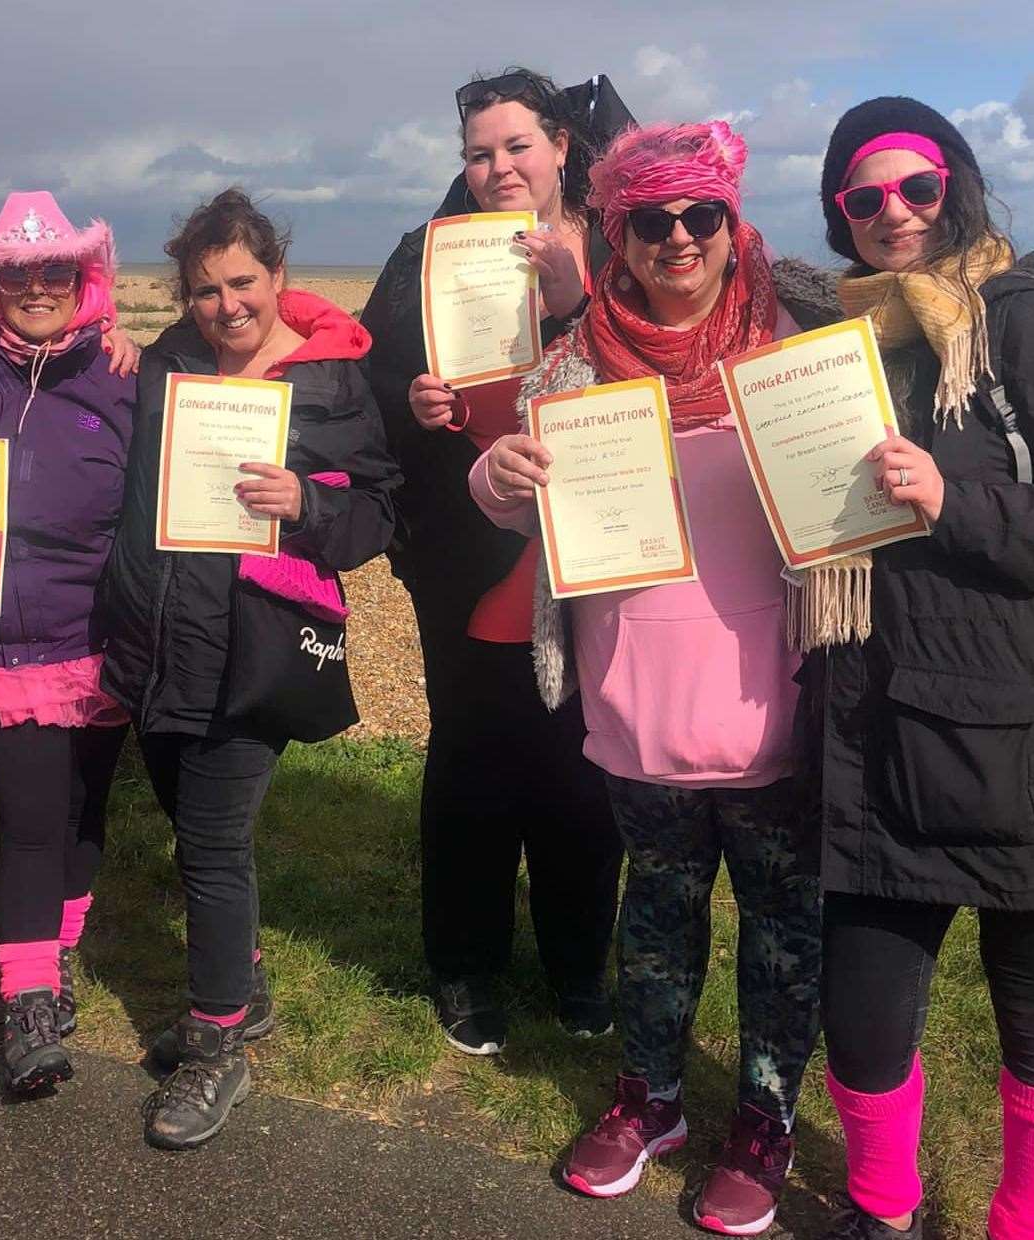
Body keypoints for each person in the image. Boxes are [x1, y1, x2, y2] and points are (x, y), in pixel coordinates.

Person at [471, 121, 836, 1234]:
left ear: (733, 222)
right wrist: (497, 470)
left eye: (700, 215)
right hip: (638, 702)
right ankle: (652, 1098)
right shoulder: (573, 362)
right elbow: (506, 496)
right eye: (650, 221)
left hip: (776, 698)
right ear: (615, 239)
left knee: (783, 928)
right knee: (658, 914)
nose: (678, 238)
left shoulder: (795, 344)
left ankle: (766, 1118)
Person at [809, 97, 1034, 1240]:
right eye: (865, 197)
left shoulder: (1024, 322)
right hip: (881, 725)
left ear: (954, 185)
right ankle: (880, 1210)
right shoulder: (837, 347)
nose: (894, 214)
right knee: (858, 1016)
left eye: (916, 188)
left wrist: (956, 501)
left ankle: (1025, 1227)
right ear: (840, 214)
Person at [98, 188, 399, 1150]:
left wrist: (307, 499)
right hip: (154, 639)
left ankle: (219, 1043)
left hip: (252, 645)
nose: (226, 305)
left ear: (276, 275)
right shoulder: (165, 366)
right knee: (186, 828)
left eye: (242, 282)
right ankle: (243, 990)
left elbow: (377, 516)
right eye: (203, 290)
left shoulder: (332, 383)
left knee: (216, 846)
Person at [360, 67, 623, 1055]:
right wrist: (415, 399)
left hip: (593, 544)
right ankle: (465, 962)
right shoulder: (422, 255)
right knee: (474, 754)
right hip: (470, 548)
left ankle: (578, 964)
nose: (499, 166)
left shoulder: (617, 244)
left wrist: (577, 300)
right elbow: (373, 386)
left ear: (562, 145)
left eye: (517, 145)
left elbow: (663, 367)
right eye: (479, 152)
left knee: (583, 764)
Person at [0, 192, 135, 1093]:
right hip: (2, 642)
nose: (37, 285)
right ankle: (25, 1007)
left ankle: (53, 965)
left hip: (104, 637)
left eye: (57, 268)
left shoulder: (125, 371)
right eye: (16, 270)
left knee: (85, 812)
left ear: (85, 277)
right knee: (29, 825)